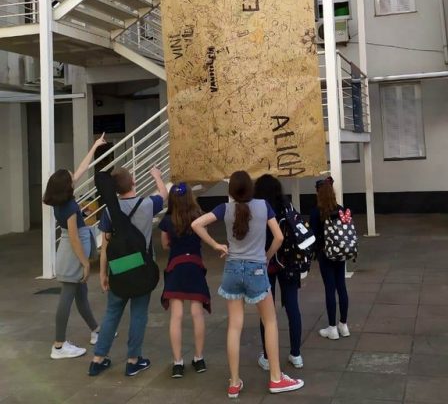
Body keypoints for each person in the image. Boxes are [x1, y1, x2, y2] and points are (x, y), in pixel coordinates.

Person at [191, 170, 304, 398]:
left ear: (231, 190)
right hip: (257, 269)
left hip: (232, 269)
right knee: (270, 321)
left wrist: (216, 245)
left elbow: (196, 224)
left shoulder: (224, 208)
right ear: (250, 188)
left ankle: (234, 383)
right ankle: (276, 378)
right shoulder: (264, 206)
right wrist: (267, 256)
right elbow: (279, 237)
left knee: (234, 326)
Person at [88, 166, 168, 377]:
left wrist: (103, 273)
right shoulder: (147, 204)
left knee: (112, 312)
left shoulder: (109, 211)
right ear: (133, 182)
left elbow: (106, 246)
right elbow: (164, 194)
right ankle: (133, 360)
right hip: (143, 266)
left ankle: (98, 359)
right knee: (139, 313)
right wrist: (157, 177)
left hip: (119, 266)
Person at [44, 134, 107, 360]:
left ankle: (96, 331)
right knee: (67, 298)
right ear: (68, 185)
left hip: (70, 251)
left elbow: (82, 168)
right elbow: (74, 238)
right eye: (72, 178)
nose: (75, 177)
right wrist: (85, 263)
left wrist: (95, 146)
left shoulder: (60, 199)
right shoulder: (69, 205)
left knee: (81, 295)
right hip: (72, 254)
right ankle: (59, 345)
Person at [159, 182, 211, 378]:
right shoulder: (199, 216)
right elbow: (204, 236)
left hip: (176, 267)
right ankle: (199, 358)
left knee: (177, 315)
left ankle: (178, 363)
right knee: (197, 313)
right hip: (195, 266)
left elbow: (165, 244)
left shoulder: (167, 220)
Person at [254, 174, 303, 370]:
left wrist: (266, 256)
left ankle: (267, 357)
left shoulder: (257, 208)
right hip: (289, 262)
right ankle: (296, 354)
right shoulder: (287, 205)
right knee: (293, 307)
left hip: (266, 263)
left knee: (266, 312)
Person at [309, 177, 350, 340]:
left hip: (325, 254)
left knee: (329, 289)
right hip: (340, 253)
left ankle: (332, 327)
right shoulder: (340, 209)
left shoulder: (315, 212)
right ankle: (344, 325)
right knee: (342, 287)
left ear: (318, 193)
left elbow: (312, 235)